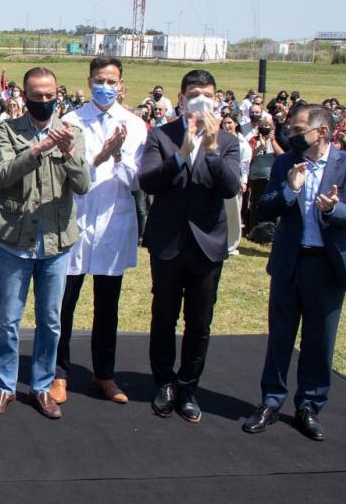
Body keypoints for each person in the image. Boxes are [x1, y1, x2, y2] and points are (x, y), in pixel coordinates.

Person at [242, 105, 346, 441]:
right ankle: (270, 401)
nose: (290, 135)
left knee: (319, 341)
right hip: (289, 262)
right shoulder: (284, 163)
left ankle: (309, 405)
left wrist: (335, 209)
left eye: (297, 130)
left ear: (320, 132)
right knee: (280, 336)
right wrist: (290, 190)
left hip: (327, 265)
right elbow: (262, 209)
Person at [0, 68, 90, 419]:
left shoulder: (72, 131)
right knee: (9, 321)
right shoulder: (7, 130)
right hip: (16, 241)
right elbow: (2, 175)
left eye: (49, 95)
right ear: (24, 96)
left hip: (56, 244)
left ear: (58, 94)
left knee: (50, 321)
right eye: (36, 95)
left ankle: (43, 387)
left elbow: (83, 184)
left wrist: (70, 152)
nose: (43, 101)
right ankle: (4, 386)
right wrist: (40, 148)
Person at [139, 69, 241, 424]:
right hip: (168, 242)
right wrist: (182, 152)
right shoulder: (160, 136)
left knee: (199, 321)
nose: (200, 99)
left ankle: (189, 387)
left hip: (207, 244)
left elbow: (230, 188)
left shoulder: (228, 141)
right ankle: (164, 381)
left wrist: (210, 149)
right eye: (193, 93)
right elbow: (148, 181)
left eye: (207, 93)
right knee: (164, 316)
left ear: (217, 98)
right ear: (181, 98)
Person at [54, 57, 146, 405]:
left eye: (112, 80)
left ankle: (103, 374)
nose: (105, 86)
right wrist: (100, 158)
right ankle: (58, 372)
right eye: (99, 79)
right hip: (76, 219)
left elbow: (138, 180)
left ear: (121, 84)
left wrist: (118, 156)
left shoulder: (135, 125)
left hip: (113, 222)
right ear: (89, 81)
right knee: (63, 304)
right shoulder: (71, 121)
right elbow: (68, 176)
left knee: (108, 305)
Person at [220, 114, 251, 255]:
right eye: (224, 123)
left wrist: (244, 181)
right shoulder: (218, 139)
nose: (227, 126)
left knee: (233, 213)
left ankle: (232, 244)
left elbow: (244, 165)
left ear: (236, 124)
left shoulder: (242, 142)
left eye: (229, 123)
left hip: (234, 180)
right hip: (218, 179)